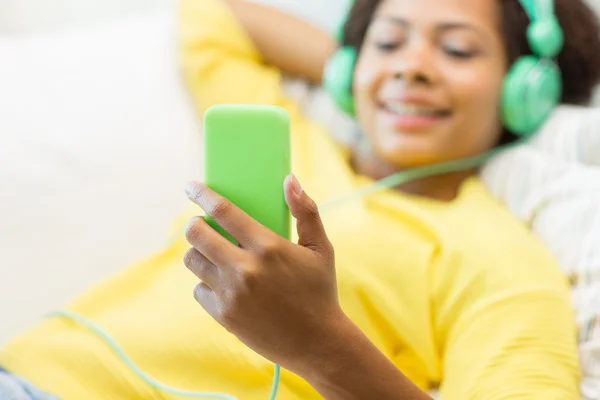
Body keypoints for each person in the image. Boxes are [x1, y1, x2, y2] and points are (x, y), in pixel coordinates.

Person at [1, 0, 600, 399]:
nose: (412, 66)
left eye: (458, 51)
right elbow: (215, 15)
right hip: (26, 372)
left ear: (528, 91)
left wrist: (319, 343)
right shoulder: (290, 137)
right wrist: (360, 78)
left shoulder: (500, 258)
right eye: (390, 43)